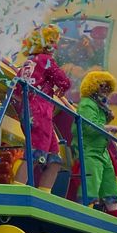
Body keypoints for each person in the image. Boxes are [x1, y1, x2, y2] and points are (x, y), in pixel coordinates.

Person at [12, 25, 72, 192]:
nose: (55, 46)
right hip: (40, 111)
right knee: (36, 152)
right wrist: (63, 87)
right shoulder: (45, 59)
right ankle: (16, 190)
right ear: (46, 43)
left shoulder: (27, 63)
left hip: (28, 111)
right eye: (53, 42)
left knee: (54, 158)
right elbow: (63, 80)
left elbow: (16, 92)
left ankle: (44, 192)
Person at [76, 70, 117, 217]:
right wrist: (109, 127)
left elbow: (97, 123)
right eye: (103, 86)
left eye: (108, 88)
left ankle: (116, 218)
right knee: (91, 184)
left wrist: (108, 119)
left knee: (110, 185)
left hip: (102, 151)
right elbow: (88, 126)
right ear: (93, 86)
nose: (106, 90)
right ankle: (83, 215)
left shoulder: (100, 107)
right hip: (89, 149)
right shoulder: (87, 103)